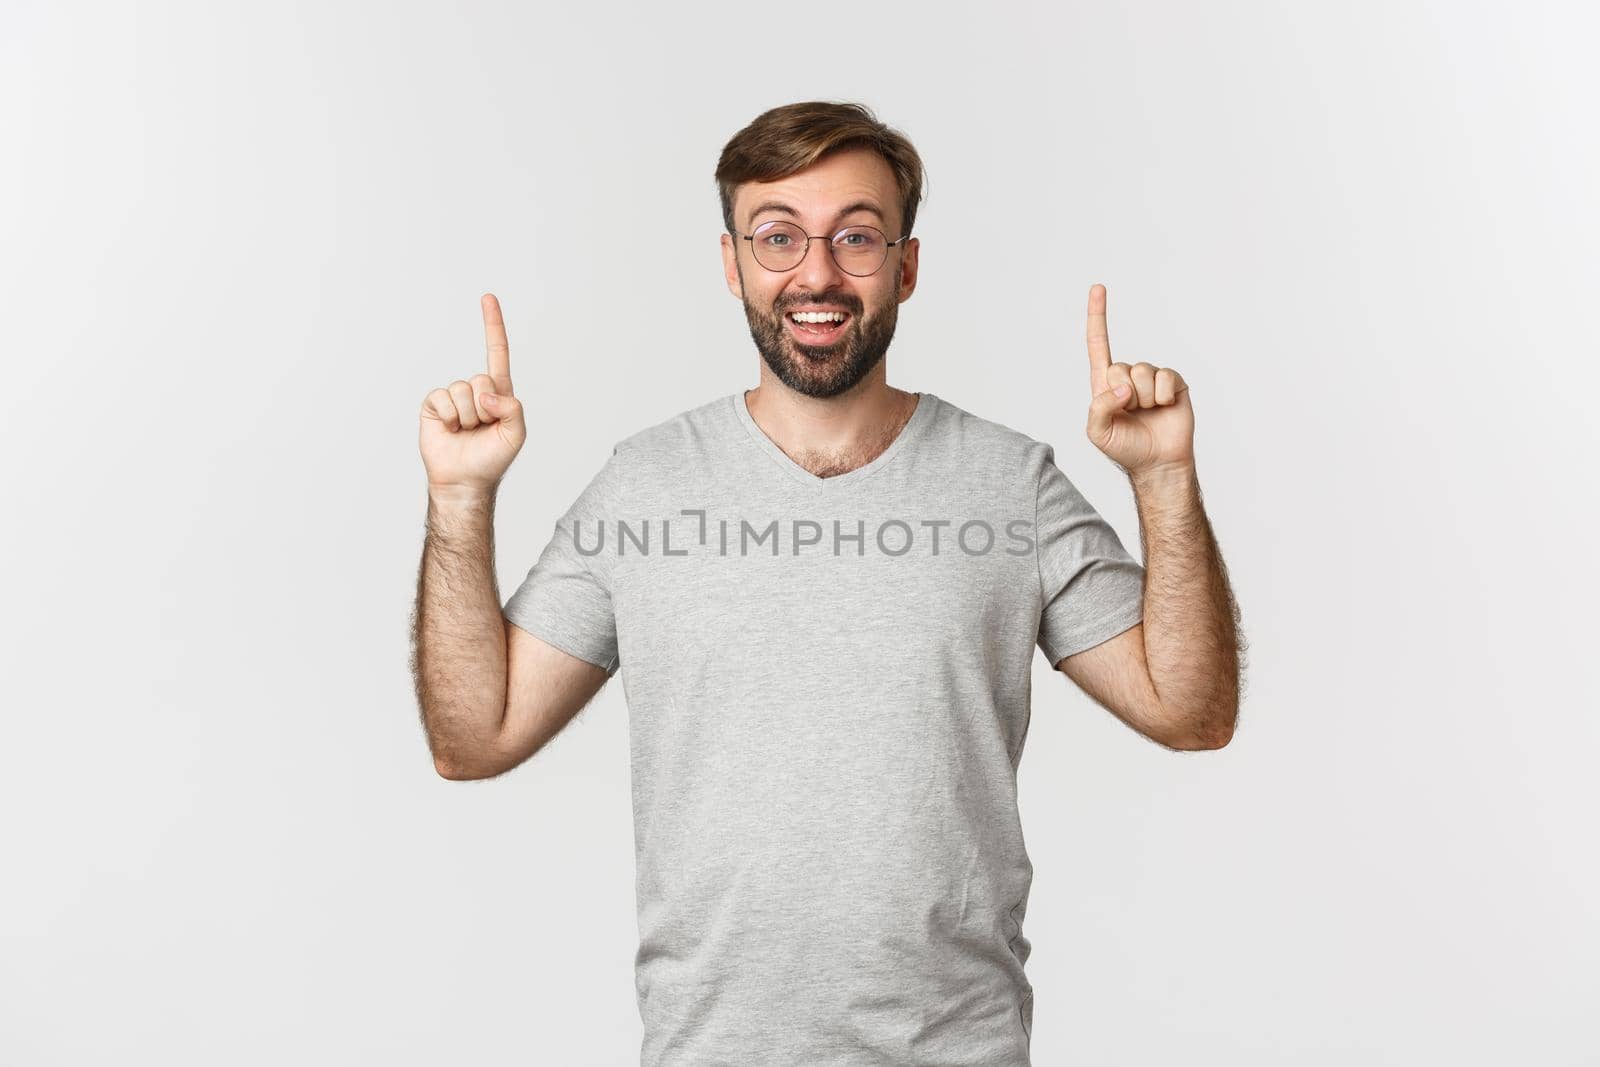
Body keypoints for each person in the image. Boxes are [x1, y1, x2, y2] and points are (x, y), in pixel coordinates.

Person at [411, 100, 1244, 1066]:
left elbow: (1192, 711)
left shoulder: (1010, 484)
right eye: (777, 237)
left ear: (906, 265)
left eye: (856, 237)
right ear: (732, 264)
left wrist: (1164, 480)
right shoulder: (643, 487)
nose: (816, 272)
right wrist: (461, 498)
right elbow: (473, 739)